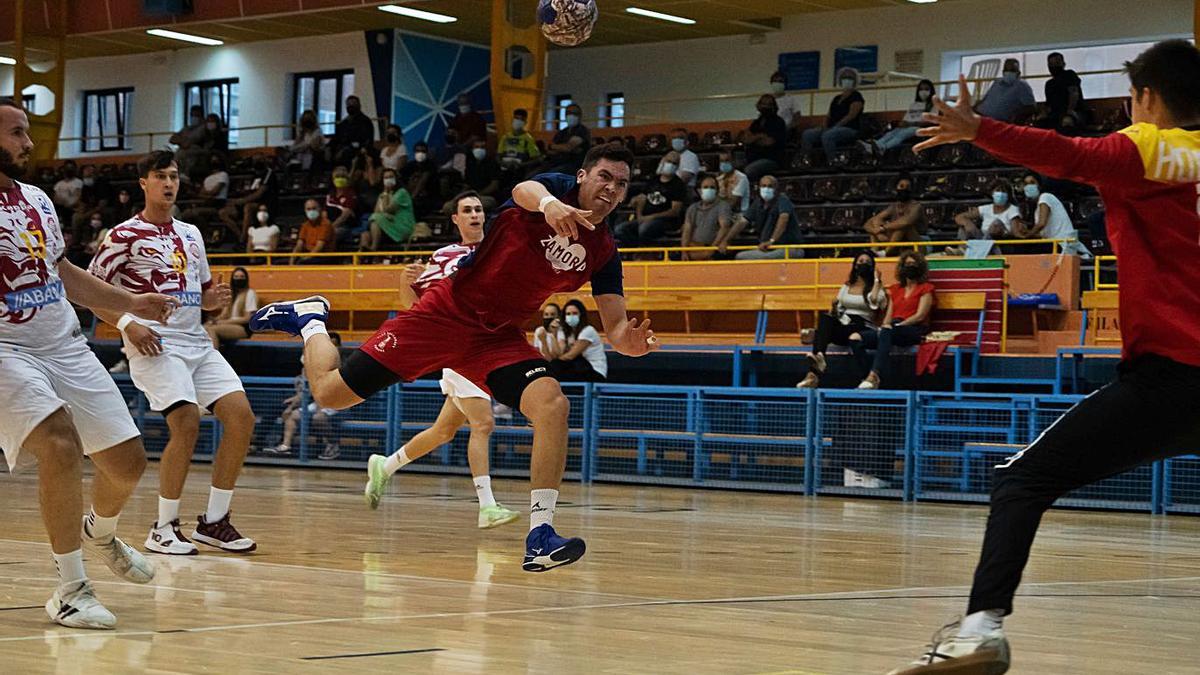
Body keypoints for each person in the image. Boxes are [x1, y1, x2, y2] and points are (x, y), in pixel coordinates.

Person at [890, 40, 1200, 674]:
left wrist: (977, 128)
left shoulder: (1145, 150)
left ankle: (980, 631)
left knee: (1023, 478)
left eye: (1132, 98)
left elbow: (1062, 152)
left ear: (1148, 98)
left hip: (1173, 375)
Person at [249, 142, 659, 572]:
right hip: (445, 314)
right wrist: (551, 204)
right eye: (605, 177)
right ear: (582, 177)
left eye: (622, 184)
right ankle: (311, 319)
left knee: (553, 404)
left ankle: (540, 534)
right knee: (331, 394)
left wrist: (626, 342)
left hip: (497, 337)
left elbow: (614, 322)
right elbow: (523, 189)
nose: (612, 188)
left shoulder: (605, 250)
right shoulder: (552, 192)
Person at [0, 101, 178, 629]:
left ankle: (97, 532)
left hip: (63, 343)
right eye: (16, 133)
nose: (29, 144)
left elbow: (65, 275)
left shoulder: (35, 198)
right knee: (59, 443)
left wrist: (130, 302)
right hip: (6, 350)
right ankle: (71, 588)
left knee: (126, 463)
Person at [89, 150, 258, 557]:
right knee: (185, 423)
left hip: (196, 342)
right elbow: (91, 292)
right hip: (155, 344)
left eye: (174, 176)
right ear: (143, 183)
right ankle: (163, 528)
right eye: (160, 176)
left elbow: (200, 295)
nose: (169, 183)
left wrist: (212, 301)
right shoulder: (121, 236)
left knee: (241, 418)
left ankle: (214, 522)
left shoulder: (191, 233)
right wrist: (129, 324)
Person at [363, 191, 521, 528]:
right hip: (461, 346)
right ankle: (487, 506)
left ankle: (384, 466)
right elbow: (415, 307)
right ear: (456, 219)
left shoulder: (501, 251)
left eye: (479, 209)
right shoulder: (444, 257)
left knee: (443, 431)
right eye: (467, 210)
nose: (475, 214)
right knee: (483, 423)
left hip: (491, 344)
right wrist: (405, 282)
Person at [797, 250, 887, 389]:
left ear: (873, 267)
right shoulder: (846, 286)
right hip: (844, 322)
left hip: (862, 325)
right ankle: (819, 357)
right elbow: (838, 310)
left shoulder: (876, 287)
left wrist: (876, 280)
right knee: (826, 318)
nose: (864, 264)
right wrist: (834, 308)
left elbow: (875, 303)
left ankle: (813, 374)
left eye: (868, 262)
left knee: (820, 334)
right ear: (855, 265)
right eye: (861, 261)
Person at [856, 251, 934, 390]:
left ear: (920, 267)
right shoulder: (896, 289)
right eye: (907, 264)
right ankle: (865, 375)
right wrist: (886, 325)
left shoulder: (926, 288)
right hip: (893, 328)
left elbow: (920, 315)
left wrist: (897, 325)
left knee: (887, 331)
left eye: (913, 264)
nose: (910, 266)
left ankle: (874, 375)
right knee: (856, 338)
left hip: (914, 328)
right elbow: (889, 314)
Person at [264, 332, 344, 458]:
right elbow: (310, 389)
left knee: (319, 418)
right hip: (318, 401)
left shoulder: (342, 364)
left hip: (340, 403)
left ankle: (333, 445)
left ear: (339, 346)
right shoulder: (316, 362)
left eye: (334, 345)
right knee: (292, 415)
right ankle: (286, 446)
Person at [616, 150, 686, 247]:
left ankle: (643, 252)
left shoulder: (678, 185)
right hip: (644, 217)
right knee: (619, 229)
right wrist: (639, 215)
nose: (671, 165)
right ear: (663, 161)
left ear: (678, 166)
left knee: (644, 229)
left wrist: (651, 217)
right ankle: (636, 249)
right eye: (669, 161)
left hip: (664, 221)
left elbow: (674, 211)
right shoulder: (653, 180)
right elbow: (642, 198)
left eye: (674, 163)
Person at [725, 175, 803, 260]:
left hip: (789, 248)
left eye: (770, 186)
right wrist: (727, 240)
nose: (766, 189)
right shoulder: (758, 203)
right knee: (741, 255)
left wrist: (772, 240)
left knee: (742, 257)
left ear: (776, 188)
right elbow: (742, 221)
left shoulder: (783, 200)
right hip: (769, 248)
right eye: (763, 186)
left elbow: (783, 219)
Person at [801, 67, 865, 160]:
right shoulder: (836, 98)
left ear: (855, 81)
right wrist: (824, 127)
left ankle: (833, 161)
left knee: (828, 136)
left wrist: (836, 127)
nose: (847, 79)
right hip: (831, 128)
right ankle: (806, 160)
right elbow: (828, 115)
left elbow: (851, 115)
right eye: (844, 77)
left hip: (849, 129)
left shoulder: (856, 96)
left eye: (850, 77)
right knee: (808, 134)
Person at [1012, 172, 1084, 254]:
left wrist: (1027, 235)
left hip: (1061, 244)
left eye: (1032, 182)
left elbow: (1041, 224)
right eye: (1026, 184)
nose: (1029, 186)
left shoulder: (1045, 197)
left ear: (1039, 185)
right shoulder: (1036, 209)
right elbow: (1043, 234)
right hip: (1052, 242)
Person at [952, 179, 1021, 253]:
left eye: (1003, 191)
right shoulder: (985, 208)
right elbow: (959, 217)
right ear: (992, 193)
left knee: (996, 223)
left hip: (999, 243)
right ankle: (962, 250)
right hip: (981, 238)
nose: (1000, 193)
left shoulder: (1013, 209)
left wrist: (1004, 232)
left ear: (1008, 194)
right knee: (963, 227)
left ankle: (974, 250)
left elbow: (1015, 233)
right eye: (998, 190)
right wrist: (967, 223)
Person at [547, 299, 608, 382]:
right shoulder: (566, 332)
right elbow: (560, 353)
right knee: (554, 369)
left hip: (595, 372)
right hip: (578, 367)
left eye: (574, 313)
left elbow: (570, 356)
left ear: (581, 315)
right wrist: (554, 335)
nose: (571, 316)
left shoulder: (588, 330)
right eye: (568, 314)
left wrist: (553, 363)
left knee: (556, 367)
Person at [871, 80, 936, 153]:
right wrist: (902, 123)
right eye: (921, 89)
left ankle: (884, 147)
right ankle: (877, 144)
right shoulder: (914, 105)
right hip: (908, 126)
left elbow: (930, 121)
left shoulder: (934, 105)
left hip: (920, 128)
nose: (923, 92)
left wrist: (911, 124)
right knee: (892, 133)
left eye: (926, 89)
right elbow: (906, 118)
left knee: (902, 134)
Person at [864, 174, 924, 252]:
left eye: (907, 187)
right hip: (899, 244)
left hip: (918, 243)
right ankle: (874, 251)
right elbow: (868, 223)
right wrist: (877, 232)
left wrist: (883, 228)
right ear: (896, 188)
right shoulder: (893, 207)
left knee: (902, 226)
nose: (904, 189)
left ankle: (885, 252)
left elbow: (905, 222)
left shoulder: (916, 206)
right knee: (874, 225)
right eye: (901, 186)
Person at [360, 167, 415, 251]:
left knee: (376, 219)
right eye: (386, 178)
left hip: (402, 226)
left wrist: (386, 194)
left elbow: (388, 209)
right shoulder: (382, 195)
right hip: (388, 225)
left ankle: (373, 249)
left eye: (391, 177)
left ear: (396, 178)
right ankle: (363, 254)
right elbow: (376, 212)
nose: (388, 179)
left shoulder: (401, 193)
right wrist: (384, 215)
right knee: (365, 234)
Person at [1035, 52, 1090, 134]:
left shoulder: (1069, 75)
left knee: (1067, 122)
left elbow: (1074, 93)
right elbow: (1048, 104)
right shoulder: (1049, 84)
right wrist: (1043, 114)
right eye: (1051, 64)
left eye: (1056, 63)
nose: (1053, 66)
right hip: (1055, 114)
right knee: (1039, 124)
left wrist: (1070, 109)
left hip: (1074, 112)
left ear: (1063, 64)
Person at [681, 175, 733, 261]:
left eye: (712, 187)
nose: (709, 190)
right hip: (694, 247)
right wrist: (684, 251)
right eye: (705, 187)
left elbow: (725, 227)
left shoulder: (723, 206)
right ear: (699, 190)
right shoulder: (693, 208)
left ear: (717, 191)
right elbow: (687, 229)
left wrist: (711, 249)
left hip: (714, 247)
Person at [204, 266, 258, 348]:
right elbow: (224, 314)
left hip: (243, 327)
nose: (239, 279)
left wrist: (224, 322)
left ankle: (214, 357)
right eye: (236, 277)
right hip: (228, 324)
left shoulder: (250, 293)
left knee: (211, 330)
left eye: (242, 277)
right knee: (204, 327)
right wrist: (214, 321)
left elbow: (248, 318)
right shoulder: (231, 294)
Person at [742, 95, 787, 184]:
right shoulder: (756, 123)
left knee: (748, 171)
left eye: (769, 104)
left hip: (771, 159)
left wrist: (754, 138)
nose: (766, 107)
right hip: (752, 157)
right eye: (763, 104)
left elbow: (768, 142)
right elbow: (746, 139)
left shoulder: (778, 122)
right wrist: (760, 136)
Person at [976, 58, 1036, 124]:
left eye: (1012, 70)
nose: (1008, 72)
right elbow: (985, 99)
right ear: (1003, 72)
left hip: (996, 122)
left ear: (1018, 73)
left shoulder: (1022, 86)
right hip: (979, 116)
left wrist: (1016, 116)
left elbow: (1031, 107)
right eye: (1006, 70)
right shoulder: (997, 82)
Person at [543, 103, 590, 175]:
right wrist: (559, 148)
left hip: (574, 165)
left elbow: (568, 148)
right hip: (556, 162)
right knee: (535, 174)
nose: (571, 115)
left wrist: (555, 147)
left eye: (574, 113)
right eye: (568, 113)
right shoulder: (562, 132)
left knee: (550, 175)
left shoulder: (582, 131)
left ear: (580, 116)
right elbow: (550, 149)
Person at [330, 95, 375, 168]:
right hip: (341, 148)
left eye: (353, 104)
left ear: (359, 106)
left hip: (357, 150)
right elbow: (336, 138)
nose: (350, 106)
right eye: (348, 104)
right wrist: (328, 148)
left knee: (346, 154)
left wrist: (345, 149)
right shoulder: (344, 123)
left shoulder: (365, 122)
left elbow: (366, 141)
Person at [291, 198, 335, 263]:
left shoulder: (326, 224)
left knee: (303, 263)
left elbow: (319, 246)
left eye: (314, 208)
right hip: (308, 253)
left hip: (323, 255)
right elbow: (299, 244)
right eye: (308, 209)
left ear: (320, 209)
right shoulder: (305, 225)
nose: (311, 211)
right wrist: (291, 261)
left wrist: (306, 258)